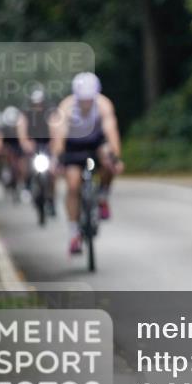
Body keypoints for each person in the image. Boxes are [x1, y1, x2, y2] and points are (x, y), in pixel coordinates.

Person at [49, 72, 124, 255]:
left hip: (95, 143)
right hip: (73, 146)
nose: (86, 103)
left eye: (90, 99)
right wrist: (57, 159)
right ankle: (74, 233)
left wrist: (115, 158)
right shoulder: (66, 107)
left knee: (108, 159)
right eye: (83, 99)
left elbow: (111, 132)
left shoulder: (104, 105)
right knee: (73, 186)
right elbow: (58, 137)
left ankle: (103, 196)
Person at [17, 86, 56, 216]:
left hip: (47, 144)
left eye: (40, 103)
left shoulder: (50, 112)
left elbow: (54, 130)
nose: (37, 106)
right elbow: (22, 131)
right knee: (26, 166)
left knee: (51, 172)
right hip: (32, 145)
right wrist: (25, 143)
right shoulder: (25, 114)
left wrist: (53, 143)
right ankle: (27, 185)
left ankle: (51, 199)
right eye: (35, 104)